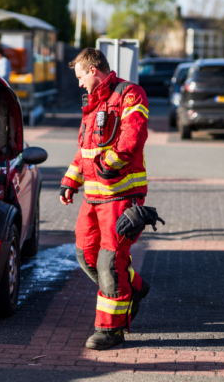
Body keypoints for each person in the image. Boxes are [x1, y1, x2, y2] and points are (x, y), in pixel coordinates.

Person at [60, 48, 151, 350]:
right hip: (93, 198)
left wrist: (105, 166)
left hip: (120, 196)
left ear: (93, 70)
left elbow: (132, 137)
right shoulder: (92, 104)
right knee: (86, 255)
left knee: (110, 263)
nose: (78, 84)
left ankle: (110, 330)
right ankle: (133, 288)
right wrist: (70, 181)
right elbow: (84, 149)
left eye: (79, 77)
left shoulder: (130, 94)